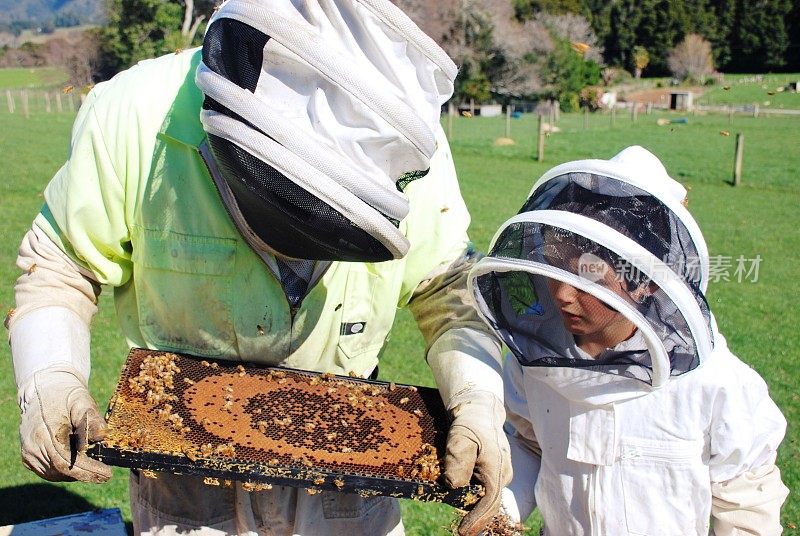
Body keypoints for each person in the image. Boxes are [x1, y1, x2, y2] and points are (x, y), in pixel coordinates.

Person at [5, 1, 512, 534]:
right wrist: (51, 379)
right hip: (186, 494)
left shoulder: (404, 144)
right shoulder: (132, 113)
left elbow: (448, 289)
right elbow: (58, 266)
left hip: (349, 492)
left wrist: (476, 398)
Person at [466, 146, 789, 535]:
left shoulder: (715, 383)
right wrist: (499, 511)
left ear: (648, 281)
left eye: (589, 278)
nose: (563, 295)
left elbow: (745, 499)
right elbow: (530, 445)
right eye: (554, 269)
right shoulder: (532, 363)